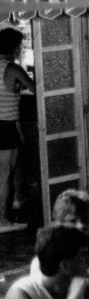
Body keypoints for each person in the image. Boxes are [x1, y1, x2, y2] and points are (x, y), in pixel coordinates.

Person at [0, 27, 34, 232]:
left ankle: (16, 202)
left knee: (6, 172)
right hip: (6, 125)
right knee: (5, 174)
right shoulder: (12, 69)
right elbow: (36, 88)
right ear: (15, 47)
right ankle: (3, 221)